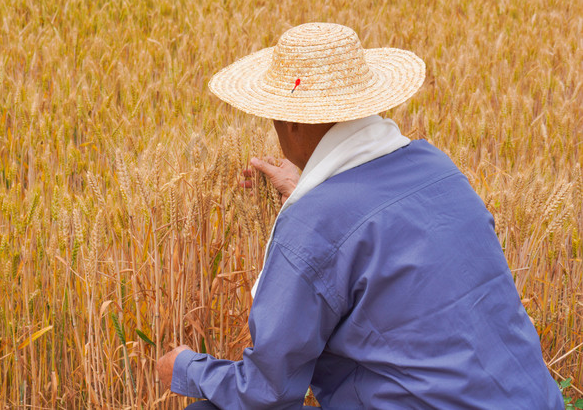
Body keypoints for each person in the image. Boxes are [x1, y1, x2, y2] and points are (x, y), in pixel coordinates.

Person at [156, 22, 563, 409]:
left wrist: (185, 368)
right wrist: (309, 192)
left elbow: (266, 392)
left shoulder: (312, 225)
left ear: (291, 122)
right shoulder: (438, 167)